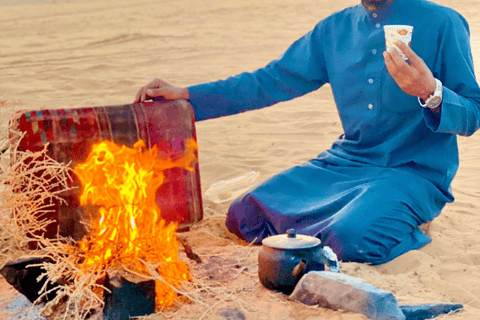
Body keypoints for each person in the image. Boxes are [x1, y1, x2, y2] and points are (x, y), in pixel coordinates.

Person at [134, 0, 480, 265]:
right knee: (244, 215)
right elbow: (268, 82)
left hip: (412, 171)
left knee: (351, 240)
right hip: (345, 163)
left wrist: (430, 91)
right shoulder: (334, 30)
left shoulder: (443, 23)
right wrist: (188, 96)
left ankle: (409, 224)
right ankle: (373, 215)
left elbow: (472, 113)